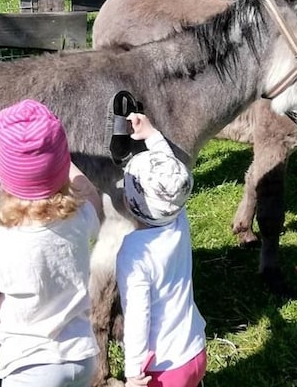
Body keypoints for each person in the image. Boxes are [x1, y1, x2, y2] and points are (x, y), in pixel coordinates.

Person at [0, 99, 103, 387]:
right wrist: (63, 161)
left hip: (30, 370)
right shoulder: (79, 221)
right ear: (61, 168)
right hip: (82, 360)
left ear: (4, 176)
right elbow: (91, 197)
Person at [116, 112, 207, 387]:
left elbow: (137, 317)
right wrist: (153, 136)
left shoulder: (133, 254)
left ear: (131, 201)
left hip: (163, 369)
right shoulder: (177, 220)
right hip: (195, 349)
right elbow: (172, 181)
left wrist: (133, 372)